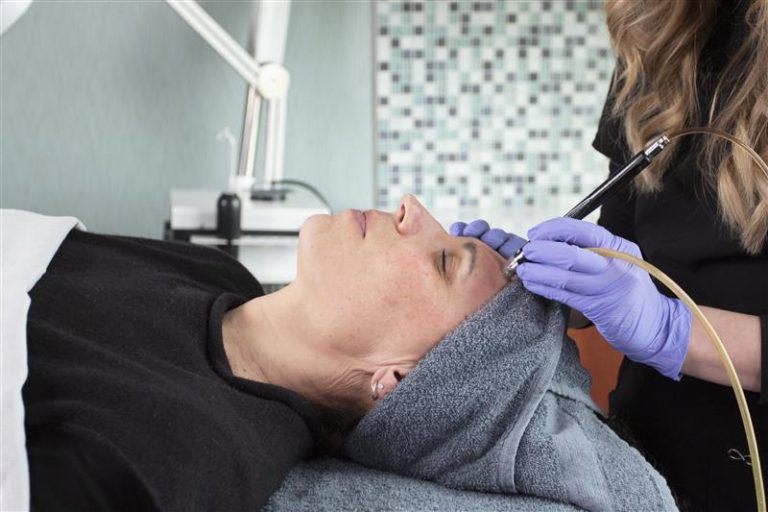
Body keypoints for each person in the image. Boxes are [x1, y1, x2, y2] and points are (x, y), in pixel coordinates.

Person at [452, 1, 768, 510]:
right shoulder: (659, 36)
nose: (405, 211)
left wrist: (672, 331)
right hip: (645, 466)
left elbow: (643, 312)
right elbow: (624, 265)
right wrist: (541, 285)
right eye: (444, 260)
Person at [23, 194, 508, 511]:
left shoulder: (188, 460)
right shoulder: (218, 275)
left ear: (398, 381)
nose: (411, 208)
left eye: (444, 260)